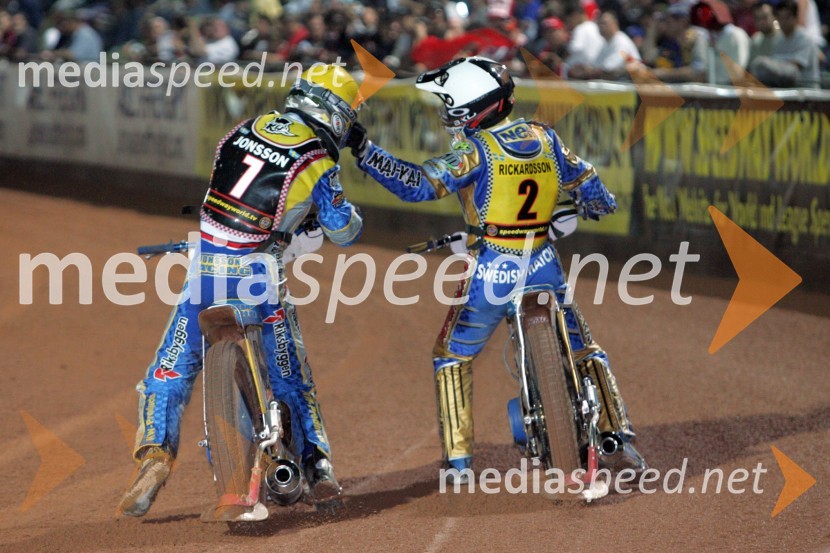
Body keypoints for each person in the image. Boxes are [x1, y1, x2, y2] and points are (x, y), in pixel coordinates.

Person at [347, 57, 646, 481]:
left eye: (452, 107)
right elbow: (586, 178)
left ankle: (458, 463)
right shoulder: (545, 137)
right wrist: (598, 204)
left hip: (491, 270)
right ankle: (619, 437)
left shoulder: (473, 151)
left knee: (451, 357)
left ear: (473, 109)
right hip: (543, 263)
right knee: (584, 347)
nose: (448, 115)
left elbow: (417, 185)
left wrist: (365, 151)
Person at [118, 65, 364, 518]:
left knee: (169, 369)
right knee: (292, 377)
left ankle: (153, 455)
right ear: (332, 113)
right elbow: (343, 230)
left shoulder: (240, 130)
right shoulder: (318, 161)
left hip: (207, 268)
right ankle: (318, 467)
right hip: (258, 274)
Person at [750, 0, 820, 88]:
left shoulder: (804, 38)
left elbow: (794, 69)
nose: (783, 22)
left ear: (795, 18)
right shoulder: (780, 39)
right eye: (780, 18)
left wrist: (766, 64)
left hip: (808, 92)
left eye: (787, 18)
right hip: (788, 91)